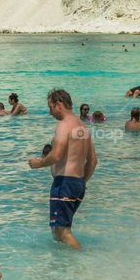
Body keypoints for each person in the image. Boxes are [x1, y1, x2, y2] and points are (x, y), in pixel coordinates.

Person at [28, 89, 98, 250]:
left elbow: (57, 155)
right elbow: (93, 161)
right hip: (78, 184)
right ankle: (64, 269)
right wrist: (82, 181)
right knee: (58, 231)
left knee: (63, 232)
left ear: (58, 105)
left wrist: (39, 163)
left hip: (64, 183)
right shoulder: (83, 127)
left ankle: (82, 262)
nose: (50, 112)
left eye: (50, 107)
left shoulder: (64, 125)